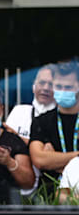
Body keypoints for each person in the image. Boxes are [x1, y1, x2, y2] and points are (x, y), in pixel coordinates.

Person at [29, 61, 79, 198]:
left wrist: (55, 161)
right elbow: (39, 160)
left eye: (68, 87)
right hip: (49, 197)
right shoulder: (41, 121)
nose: (63, 91)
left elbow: (46, 160)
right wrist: (77, 157)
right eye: (58, 86)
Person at [6, 64, 56, 143]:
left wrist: (17, 137)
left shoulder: (61, 118)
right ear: (34, 86)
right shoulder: (19, 111)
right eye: (42, 83)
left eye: (51, 84)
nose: (45, 88)